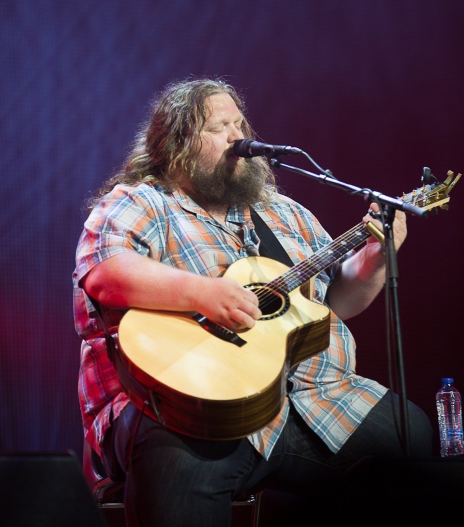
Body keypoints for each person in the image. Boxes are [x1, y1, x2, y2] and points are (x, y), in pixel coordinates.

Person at [73, 77, 433, 527]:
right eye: (218, 126)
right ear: (175, 143)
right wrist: (205, 292)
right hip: (188, 409)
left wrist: (377, 258)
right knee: (175, 461)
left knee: (410, 436)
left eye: (240, 122)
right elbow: (106, 274)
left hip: (317, 400)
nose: (238, 136)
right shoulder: (140, 203)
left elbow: (335, 303)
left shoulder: (285, 212)